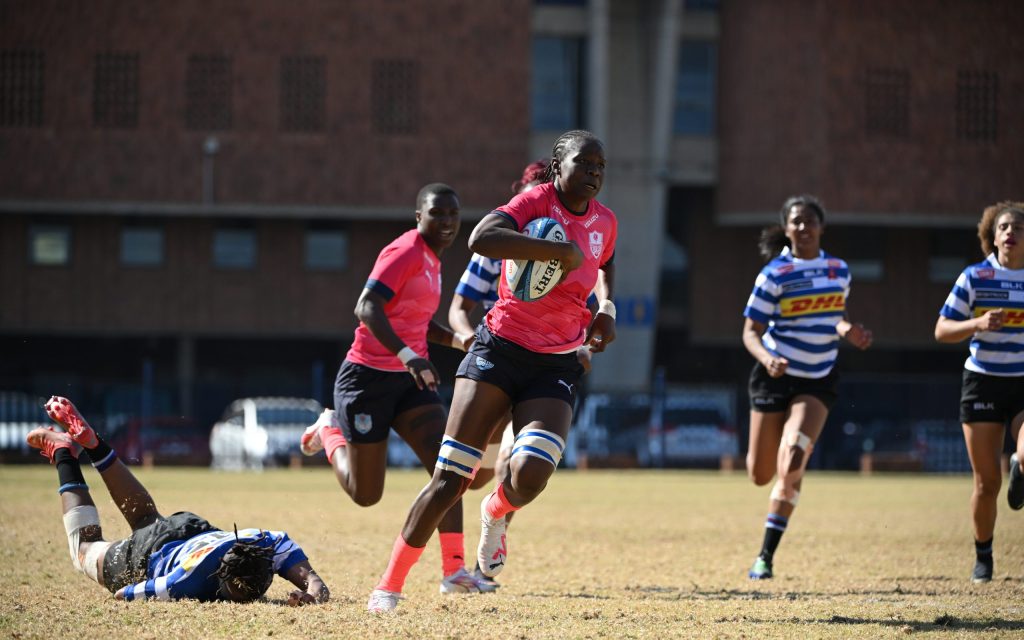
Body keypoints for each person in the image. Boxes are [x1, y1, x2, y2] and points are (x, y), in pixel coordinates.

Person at [366, 129, 618, 612]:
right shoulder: (535, 203)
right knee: (449, 479)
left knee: (530, 476)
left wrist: (606, 309)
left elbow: (607, 265)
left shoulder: (606, 220)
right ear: (557, 167)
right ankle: (390, 583)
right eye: (584, 164)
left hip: (557, 362)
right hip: (497, 351)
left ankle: (496, 511)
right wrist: (554, 253)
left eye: (600, 167)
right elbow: (482, 238)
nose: (594, 174)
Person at [298, 182, 493, 595]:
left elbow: (417, 323)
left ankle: (454, 570)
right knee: (366, 495)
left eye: (453, 215)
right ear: (418, 216)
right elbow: (366, 307)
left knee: (451, 467)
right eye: (436, 213)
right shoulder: (404, 251)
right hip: (366, 381)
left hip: (410, 383)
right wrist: (410, 356)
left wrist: (459, 341)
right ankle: (330, 431)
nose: (446, 222)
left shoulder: (433, 261)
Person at [447, 159, 598, 586]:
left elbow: (580, 312)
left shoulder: (571, 250)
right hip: (498, 358)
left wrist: (586, 343)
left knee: (512, 467)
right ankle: (467, 549)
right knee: (472, 477)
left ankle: (483, 565)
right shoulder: (499, 249)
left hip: (544, 370)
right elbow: (459, 308)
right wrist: (465, 338)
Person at [27, 396, 329, 604]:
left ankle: (95, 446)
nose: (247, 601)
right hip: (152, 554)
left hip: (188, 529)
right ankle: (64, 452)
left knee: (145, 517)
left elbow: (318, 586)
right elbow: (126, 595)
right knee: (83, 549)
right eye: (235, 596)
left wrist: (311, 596)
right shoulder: (186, 583)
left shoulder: (266, 542)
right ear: (219, 579)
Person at [741, 194, 873, 580]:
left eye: (809, 220)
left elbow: (835, 315)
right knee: (760, 473)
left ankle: (765, 556)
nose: (803, 227)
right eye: (796, 221)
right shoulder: (774, 274)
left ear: (821, 227)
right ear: (786, 229)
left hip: (818, 378)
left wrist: (848, 329)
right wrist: (767, 358)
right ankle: (778, 482)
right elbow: (750, 331)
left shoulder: (839, 270)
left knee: (793, 462)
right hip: (775, 375)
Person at [934, 201, 1024, 583]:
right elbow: (941, 330)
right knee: (987, 484)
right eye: (1003, 226)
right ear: (993, 235)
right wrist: (977, 323)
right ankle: (983, 557)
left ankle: (1020, 464)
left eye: (1018, 227)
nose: (1010, 232)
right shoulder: (974, 277)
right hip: (983, 380)